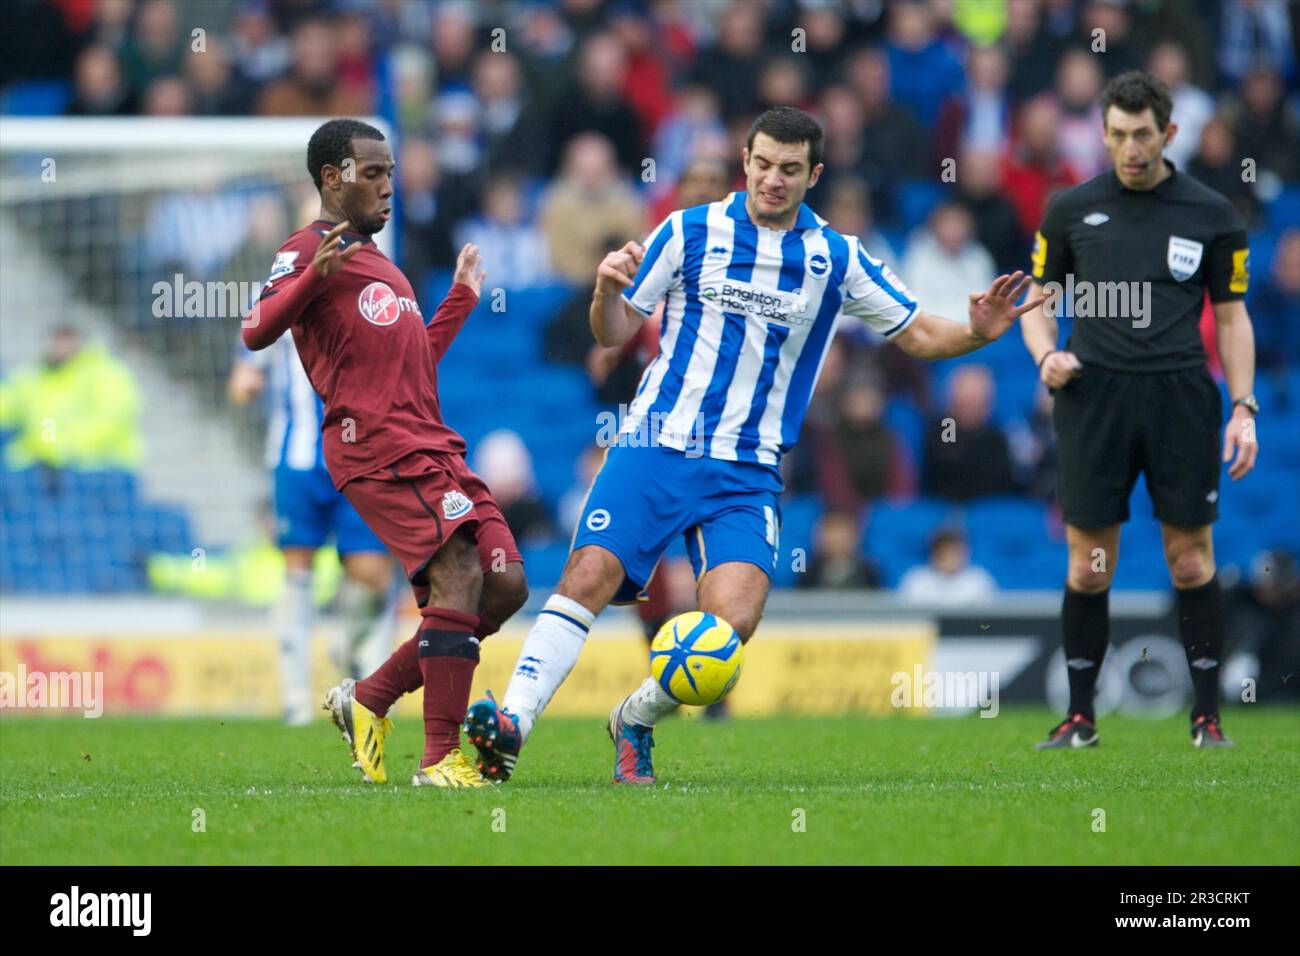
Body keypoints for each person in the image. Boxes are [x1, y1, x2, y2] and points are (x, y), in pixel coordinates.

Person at [466, 106, 1043, 785]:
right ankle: (513, 725)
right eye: (763, 164)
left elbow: (918, 332)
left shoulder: (836, 257)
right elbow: (612, 332)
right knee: (586, 575)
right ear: (745, 161)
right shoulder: (688, 231)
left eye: (790, 169)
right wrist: (603, 291)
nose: (773, 179)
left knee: (731, 624)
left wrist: (979, 331)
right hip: (656, 441)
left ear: (814, 175)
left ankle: (636, 718)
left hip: (748, 467)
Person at [240, 119, 528, 788]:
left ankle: (369, 697)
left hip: (430, 440)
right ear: (332, 178)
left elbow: (414, 369)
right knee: (459, 572)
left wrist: (457, 302)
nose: (388, 186)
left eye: (392, 173)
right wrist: (313, 276)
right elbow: (255, 329)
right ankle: (438, 760)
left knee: (505, 583)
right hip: (374, 447)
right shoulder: (306, 248)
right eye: (373, 173)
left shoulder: (382, 265)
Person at [1022, 72, 1259, 750]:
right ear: (1103, 133)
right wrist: (1045, 358)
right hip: (1092, 396)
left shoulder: (1213, 213)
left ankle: (1207, 718)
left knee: (1189, 558)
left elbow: (1233, 317)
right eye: (1118, 135)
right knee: (1087, 562)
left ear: (1169, 134)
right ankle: (1079, 718)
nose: (1130, 148)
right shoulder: (1070, 210)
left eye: (1143, 135)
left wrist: (1243, 406)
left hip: (1181, 394)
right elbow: (1038, 302)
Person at [228, 332, 398, 726]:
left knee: (373, 573)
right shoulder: (275, 294)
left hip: (362, 456)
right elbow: (244, 374)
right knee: (297, 569)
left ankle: (349, 649)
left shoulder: (370, 286)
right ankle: (296, 702)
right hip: (297, 459)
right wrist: (246, 380)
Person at [897, 528, 996, 605]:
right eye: (945, 554)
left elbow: (987, 622)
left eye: (955, 553)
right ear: (934, 555)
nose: (951, 559)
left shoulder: (978, 579)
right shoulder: (916, 579)